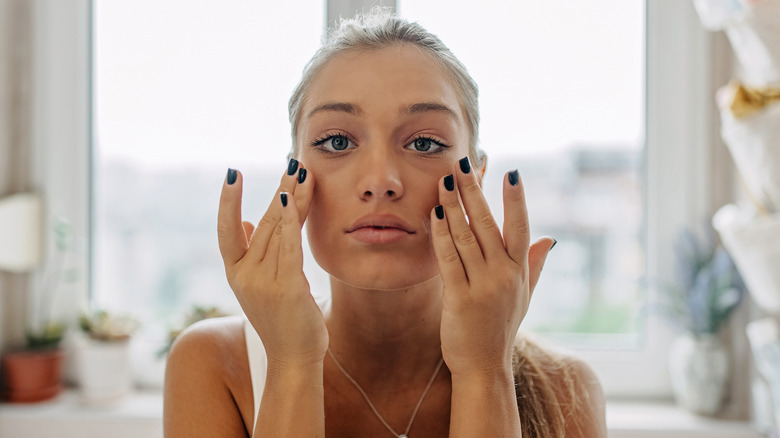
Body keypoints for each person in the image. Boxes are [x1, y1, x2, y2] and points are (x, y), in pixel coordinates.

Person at [164, 9, 606, 438]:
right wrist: (292, 363)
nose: (381, 182)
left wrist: (485, 371)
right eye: (337, 141)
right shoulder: (215, 365)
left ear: (478, 176)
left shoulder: (564, 389)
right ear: (295, 178)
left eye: (425, 142)